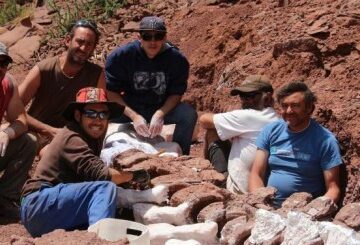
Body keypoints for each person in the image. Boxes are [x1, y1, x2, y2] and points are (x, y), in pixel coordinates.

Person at [20, 87, 149, 237]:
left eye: (103, 114)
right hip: (38, 203)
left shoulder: (91, 137)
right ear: (78, 115)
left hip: (54, 210)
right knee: (104, 189)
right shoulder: (72, 137)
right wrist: (133, 176)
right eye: (91, 113)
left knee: (116, 213)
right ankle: (101, 243)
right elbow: (104, 176)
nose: (97, 119)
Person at [105, 16, 197, 155]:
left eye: (158, 36)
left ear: (165, 37)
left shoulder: (177, 60)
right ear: (139, 37)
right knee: (98, 112)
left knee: (188, 115)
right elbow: (111, 92)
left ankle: (182, 155)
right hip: (130, 105)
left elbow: (176, 93)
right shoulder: (122, 56)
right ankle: (93, 154)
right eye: (147, 36)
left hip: (160, 105)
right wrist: (134, 116)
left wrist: (160, 114)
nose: (153, 42)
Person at [248, 82, 342, 207]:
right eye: (284, 106)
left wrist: (312, 211)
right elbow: (256, 174)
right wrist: (260, 204)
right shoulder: (271, 131)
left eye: (295, 106)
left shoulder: (325, 140)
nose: (289, 111)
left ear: (309, 108)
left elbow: (333, 188)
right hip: (268, 207)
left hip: (304, 212)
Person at [19, 19, 106, 149]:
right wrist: (48, 130)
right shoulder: (44, 69)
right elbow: (13, 109)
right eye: (80, 41)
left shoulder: (96, 75)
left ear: (93, 48)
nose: (83, 48)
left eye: (89, 44)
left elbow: (100, 112)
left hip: (71, 137)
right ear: (67, 41)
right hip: (35, 133)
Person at [199, 75, 279, 194]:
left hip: (239, 189)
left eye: (251, 96)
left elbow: (204, 120)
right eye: (242, 96)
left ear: (267, 98)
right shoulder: (274, 116)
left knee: (213, 131)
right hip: (259, 184)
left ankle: (217, 179)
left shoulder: (249, 116)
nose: (245, 100)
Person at [0, 42, 37, 216]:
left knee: (28, 142)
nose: (0, 68)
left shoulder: (7, 84)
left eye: (3, 63)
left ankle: (5, 198)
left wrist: (7, 132)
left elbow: (21, 120)